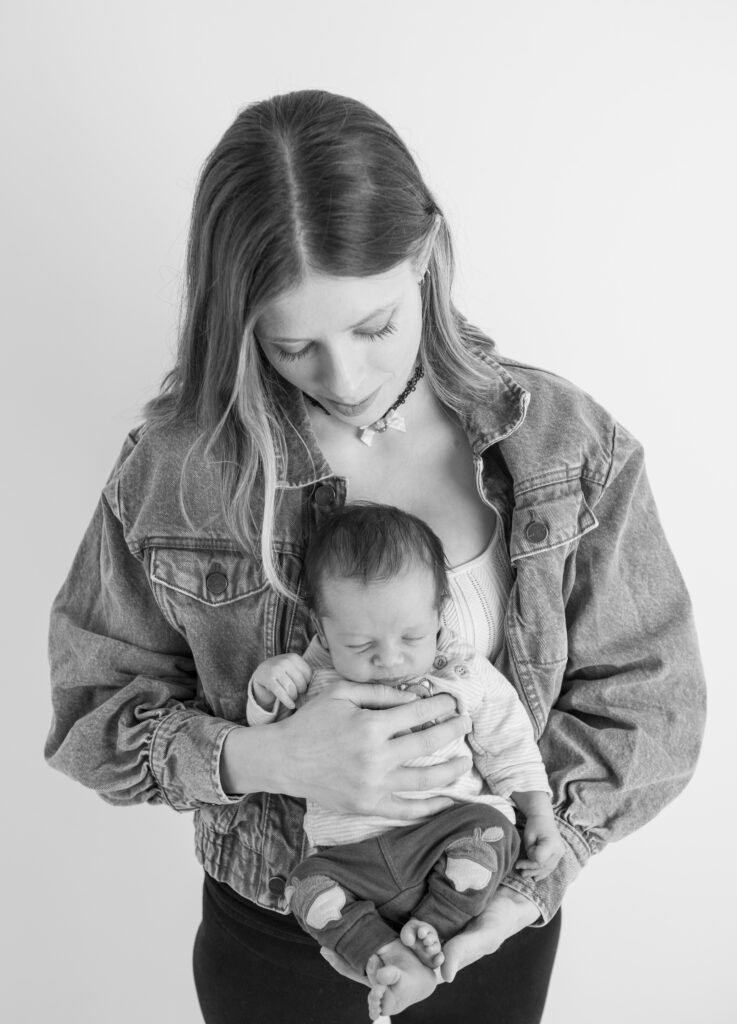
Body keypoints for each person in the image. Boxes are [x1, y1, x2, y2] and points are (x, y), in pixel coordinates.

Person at [45, 89, 706, 1024]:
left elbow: (646, 700)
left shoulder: (564, 443)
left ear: (426, 257)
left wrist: (520, 887)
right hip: (279, 936)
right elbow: (93, 714)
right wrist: (265, 757)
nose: (345, 378)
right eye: (292, 347)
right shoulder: (178, 470)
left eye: (372, 327)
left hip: (488, 927)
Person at [246, 502, 565, 1019]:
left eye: (411, 637)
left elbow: (510, 742)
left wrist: (540, 814)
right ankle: (382, 951)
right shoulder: (312, 677)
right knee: (305, 888)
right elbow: (271, 744)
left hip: (445, 835)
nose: (390, 658)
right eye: (360, 643)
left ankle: (433, 927)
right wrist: (267, 690)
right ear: (322, 630)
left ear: (439, 613)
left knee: (491, 834)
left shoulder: (461, 671)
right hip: (351, 860)